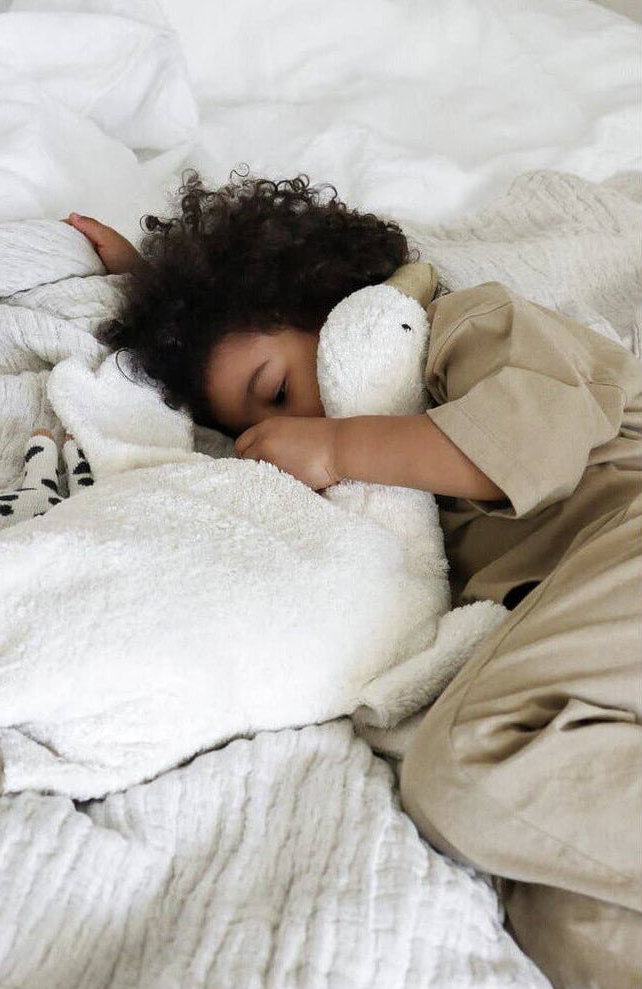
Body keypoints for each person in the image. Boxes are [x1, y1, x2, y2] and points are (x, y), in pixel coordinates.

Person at [66, 168, 642, 989]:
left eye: (279, 389)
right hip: (584, 645)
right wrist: (153, 301)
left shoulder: (462, 325)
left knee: (467, 774)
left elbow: (535, 443)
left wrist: (339, 449)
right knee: (566, 917)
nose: (297, 431)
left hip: (624, 543)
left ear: (327, 305)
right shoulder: (386, 499)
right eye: (260, 427)